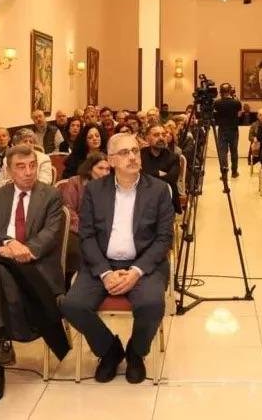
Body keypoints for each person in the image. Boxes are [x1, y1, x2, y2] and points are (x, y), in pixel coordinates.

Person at [0, 144, 70, 405]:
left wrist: (23, 250)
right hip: (5, 258)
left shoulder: (51, 196)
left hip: (36, 266)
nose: (28, 172)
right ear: (8, 170)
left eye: (32, 166)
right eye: (21, 167)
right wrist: (9, 243)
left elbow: (50, 235)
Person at [60, 133, 175, 384]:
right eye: (124, 153)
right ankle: (110, 350)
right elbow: (87, 236)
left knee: (151, 304)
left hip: (144, 264)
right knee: (72, 305)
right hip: (101, 263)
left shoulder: (158, 190)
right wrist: (105, 273)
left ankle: (136, 352)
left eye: (135, 151)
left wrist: (136, 271)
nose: (132, 157)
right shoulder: (94, 190)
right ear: (111, 160)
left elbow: (164, 239)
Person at [58, 153, 111, 277]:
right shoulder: (75, 183)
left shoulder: (111, 186)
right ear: (89, 169)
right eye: (100, 168)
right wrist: (86, 230)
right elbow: (69, 211)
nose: (105, 173)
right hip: (77, 229)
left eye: (108, 169)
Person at [141, 123, 182, 213]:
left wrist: (149, 174)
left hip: (167, 198)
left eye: (163, 135)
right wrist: (158, 173)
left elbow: (172, 179)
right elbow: (138, 177)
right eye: (156, 135)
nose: (161, 138)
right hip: (143, 198)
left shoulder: (173, 157)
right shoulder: (140, 155)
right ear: (147, 138)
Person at [213, 82, 242, 178]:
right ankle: (234, 172)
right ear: (230, 91)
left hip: (222, 129)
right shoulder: (236, 102)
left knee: (223, 152)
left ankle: (224, 173)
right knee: (234, 151)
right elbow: (239, 115)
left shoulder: (217, 103)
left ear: (221, 91)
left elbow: (215, 115)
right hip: (233, 129)